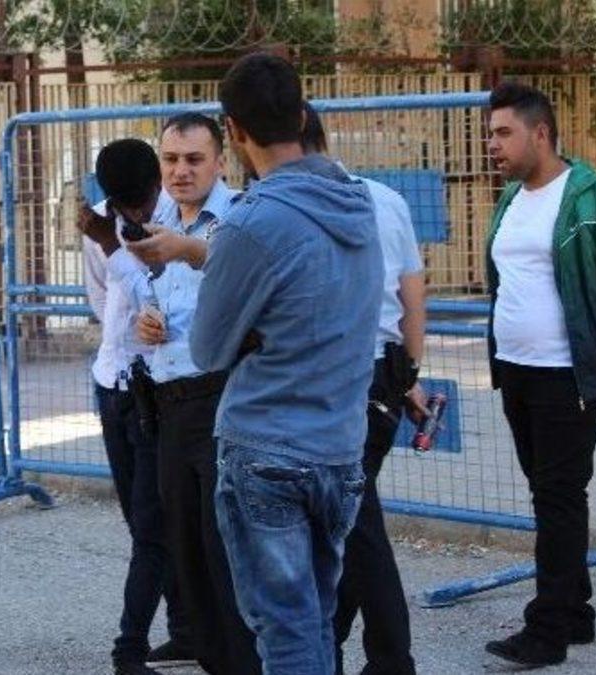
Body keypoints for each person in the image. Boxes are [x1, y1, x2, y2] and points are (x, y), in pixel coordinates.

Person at [189, 53, 383, 674]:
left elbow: (206, 348)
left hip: (268, 449)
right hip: (339, 447)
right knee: (315, 621)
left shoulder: (250, 223)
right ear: (302, 115)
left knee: (287, 633)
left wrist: (257, 335)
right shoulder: (359, 205)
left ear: (232, 131)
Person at [482, 81, 596, 667]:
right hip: (516, 370)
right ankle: (576, 611)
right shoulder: (511, 198)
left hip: (568, 375)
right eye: (490, 134)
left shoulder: (591, 197)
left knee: (558, 496)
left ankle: (547, 631)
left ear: (541, 133)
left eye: (503, 133)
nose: (492, 145)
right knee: (550, 492)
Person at [126, 114, 260, 675]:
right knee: (187, 552)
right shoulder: (156, 224)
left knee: (227, 548)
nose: (180, 171)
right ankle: (213, 658)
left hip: (224, 398)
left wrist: (186, 250)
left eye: (194, 160)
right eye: (171, 160)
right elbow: (152, 299)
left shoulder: (240, 220)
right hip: (168, 401)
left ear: (220, 162)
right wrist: (146, 321)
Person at [300, 105, 425, 675]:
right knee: (350, 517)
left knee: (357, 524)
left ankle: (390, 659)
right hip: (382, 377)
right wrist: (409, 376)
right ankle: (332, 644)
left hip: (340, 380)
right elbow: (412, 297)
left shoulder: (294, 207)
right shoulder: (385, 199)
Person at [77, 137, 191, 675]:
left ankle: (130, 647)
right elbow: (104, 303)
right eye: (127, 208)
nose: (138, 215)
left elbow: (165, 298)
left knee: (155, 524)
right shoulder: (101, 223)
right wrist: (110, 243)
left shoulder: (178, 219)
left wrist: (115, 248)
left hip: (161, 388)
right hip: (113, 383)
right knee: (141, 521)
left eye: (143, 203)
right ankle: (185, 629)